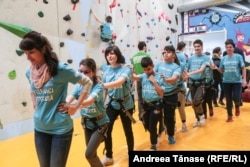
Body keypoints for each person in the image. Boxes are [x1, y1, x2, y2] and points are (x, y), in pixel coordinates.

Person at [19, 31, 93, 167]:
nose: (28, 57)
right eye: (25, 53)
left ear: (43, 49)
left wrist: (76, 105)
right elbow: (35, 95)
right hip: (40, 129)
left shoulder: (61, 69)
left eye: (31, 52)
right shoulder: (29, 72)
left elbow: (87, 82)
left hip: (60, 130)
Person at [62, 58, 109, 167]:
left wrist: (74, 106)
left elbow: (89, 101)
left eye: (86, 72)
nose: (82, 74)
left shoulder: (98, 86)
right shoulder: (79, 86)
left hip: (100, 124)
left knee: (88, 154)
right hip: (87, 124)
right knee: (92, 155)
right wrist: (62, 105)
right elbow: (69, 98)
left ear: (93, 72)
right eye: (80, 71)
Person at [101, 45, 135, 166]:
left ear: (118, 55)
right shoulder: (106, 70)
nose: (110, 56)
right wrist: (102, 105)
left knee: (127, 130)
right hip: (112, 103)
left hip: (126, 103)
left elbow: (120, 82)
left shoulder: (125, 68)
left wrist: (102, 85)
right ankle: (109, 156)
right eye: (108, 54)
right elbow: (105, 91)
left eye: (112, 53)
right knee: (106, 129)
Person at [132, 57, 164, 151]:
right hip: (146, 105)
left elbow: (162, 93)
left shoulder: (159, 76)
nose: (147, 71)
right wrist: (129, 69)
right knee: (146, 124)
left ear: (153, 66)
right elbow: (133, 77)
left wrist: (154, 82)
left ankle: (153, 145)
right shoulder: (143, 76)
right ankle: (157, 134)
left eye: (149, 69)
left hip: (156, 105)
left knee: (152, 126)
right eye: (145, 69)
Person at [154, 45, 181, 144]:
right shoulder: (158, 65)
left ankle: (170, 135)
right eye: (164, 52)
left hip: (170, 96)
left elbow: (174, 78)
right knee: (156, 116)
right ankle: (157, 135)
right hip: (158, 95)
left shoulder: (176, 67)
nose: (165, 53)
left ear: (173, 55)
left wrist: (165, 79)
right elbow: (150, 74)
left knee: (169, 117)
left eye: (168, 52)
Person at [219, 39, 247, 122]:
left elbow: (243, 68)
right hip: (226, 81)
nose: (229, 49)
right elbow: (221, 70)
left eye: (230, 47)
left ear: (233, 48)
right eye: (227, 47)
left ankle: (237, 106)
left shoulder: (238, 57)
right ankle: (229, 116)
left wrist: (244, 79)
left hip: (237, 81)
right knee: (228, 99)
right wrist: (216, 68)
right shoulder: (223, 58)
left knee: (236, 97)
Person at [183, 39, 208, 128]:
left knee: (197, 100)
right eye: (195, 46)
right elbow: (187, 68)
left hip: (201, 83)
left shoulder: (206, 57)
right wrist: (185, 74)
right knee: (193, 103)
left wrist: (189, 74)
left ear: (202, 47)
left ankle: (202, 115)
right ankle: (198, 119)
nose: (196, 48)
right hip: (192, 82)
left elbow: (201, 70)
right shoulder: (191, 58)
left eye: (198, 46)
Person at [131, 41, 151, 119]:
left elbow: (133, 70)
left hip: (138, 79)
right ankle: (147, 114)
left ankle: (141, 116)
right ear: (144, 47)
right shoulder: (147, 55)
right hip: (146, 78)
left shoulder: (134, 57)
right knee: (148, 96)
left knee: (140, 98)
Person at [175, 41, 188, 132]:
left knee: (179, 107)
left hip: (179, 87)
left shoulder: (181, 60)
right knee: (179, 108)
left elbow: (184, 74)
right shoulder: (183, 56)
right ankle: (180, 124)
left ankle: (181, 124)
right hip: (172, 88)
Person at [202, 52, 216, 119]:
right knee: (203, 101)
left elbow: (213, 67)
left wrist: (209, 61)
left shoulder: (211, 64)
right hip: (202, 84)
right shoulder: (201, 64)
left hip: (210, 84)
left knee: (209, 100)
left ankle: (210, 108)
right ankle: (204, 113)